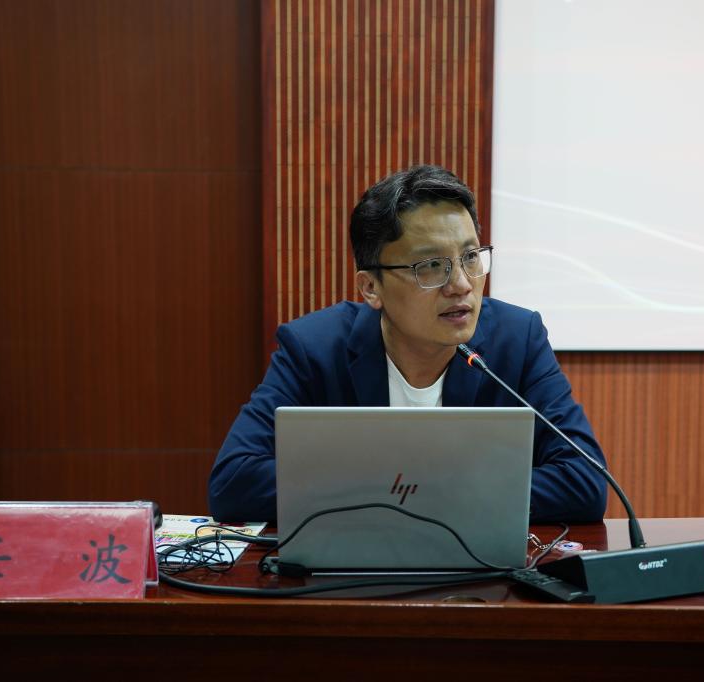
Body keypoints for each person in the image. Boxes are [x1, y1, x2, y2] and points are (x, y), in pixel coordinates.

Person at [208, 165, 607, 523]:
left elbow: (585, 481)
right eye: (431, 266)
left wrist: (410, 493)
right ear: (371, 287)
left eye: (470, 257)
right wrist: (421, 490)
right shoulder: (315, 349)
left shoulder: (517, 340)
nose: (461, 285)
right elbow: (234, 483)